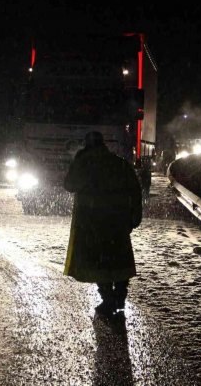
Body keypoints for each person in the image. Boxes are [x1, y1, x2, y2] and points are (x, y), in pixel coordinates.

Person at [63, 131, 142, 318]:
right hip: (118, 220)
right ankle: (120, 299)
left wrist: (77, 161)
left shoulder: (84, 164)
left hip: (91, 221)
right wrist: (134, 216)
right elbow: (135, 190)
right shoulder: (119, 164)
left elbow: (69, 185)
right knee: (119, 259)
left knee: (99, 261)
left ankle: (108, 300)